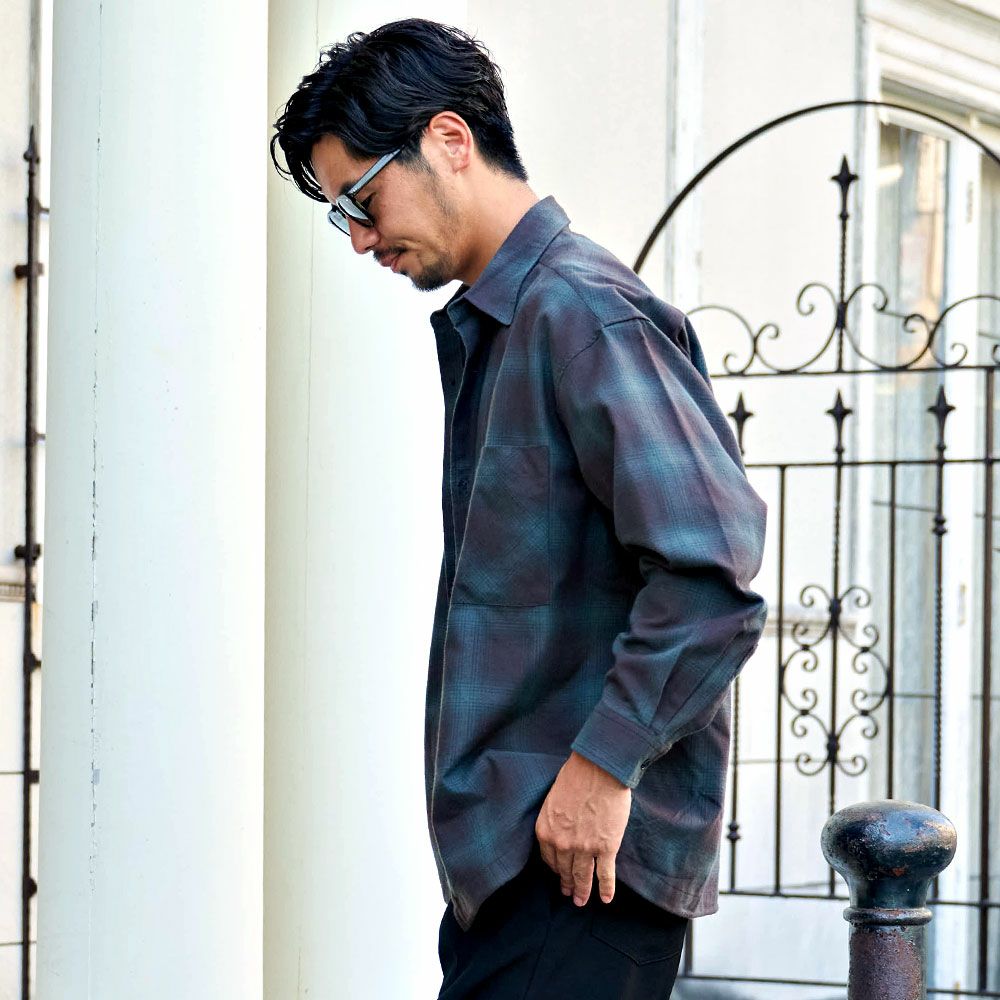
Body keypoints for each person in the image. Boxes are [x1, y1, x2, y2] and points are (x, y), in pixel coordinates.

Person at [270, 17, 769, 999]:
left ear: (450, 140)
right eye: (340, 217)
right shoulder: (509, 325)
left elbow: (712, 580)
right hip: (527, 871)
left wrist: (602, 768)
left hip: (581, 870)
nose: (360, 237)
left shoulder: (583, 313)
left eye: (362, 198)